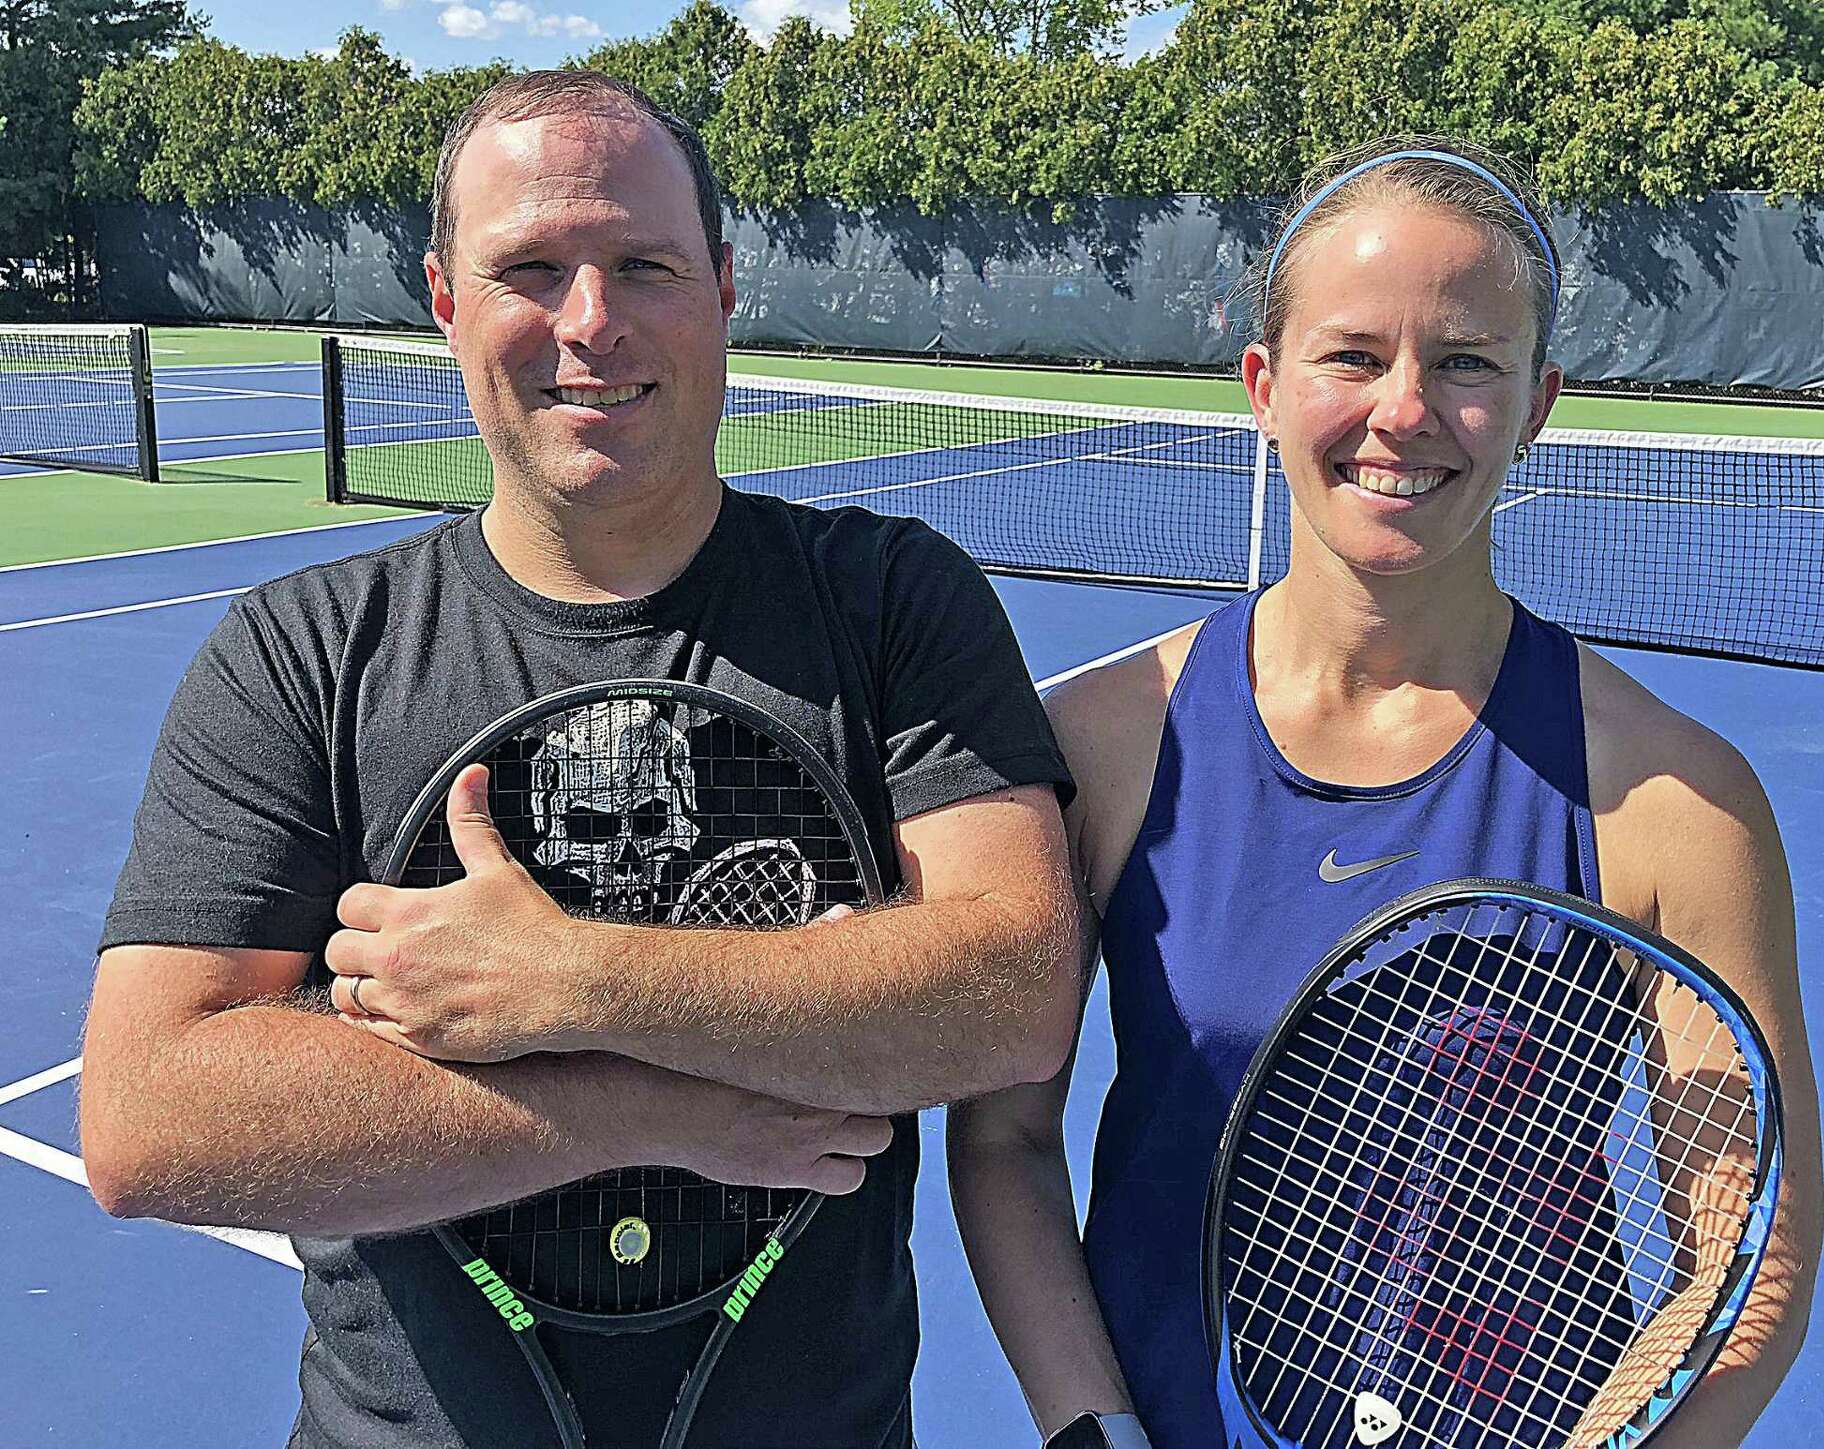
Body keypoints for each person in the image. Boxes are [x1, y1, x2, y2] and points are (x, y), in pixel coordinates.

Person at [78, 71, 1080, 1449]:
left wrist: (563, 978)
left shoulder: (891, 601)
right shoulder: (302, 652)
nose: (591, 322)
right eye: (532, 268)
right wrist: (656, 1106)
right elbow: (149, 1119)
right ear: (444, 298)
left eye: (643, 263)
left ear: (724, 286)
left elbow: (1015, 990)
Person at [948, 137, 1823, 1449]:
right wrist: (1098, 1432)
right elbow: (1006, 1138)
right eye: (1352, 355)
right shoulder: (1096, 751)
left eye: (1467, 361)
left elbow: (1745, 1262)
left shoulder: (1677, 801)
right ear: (1265, 385)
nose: (1404, 410)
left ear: (1537, 401)